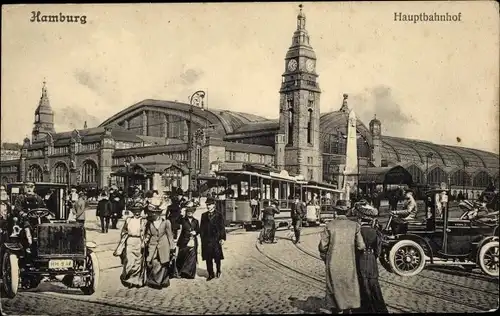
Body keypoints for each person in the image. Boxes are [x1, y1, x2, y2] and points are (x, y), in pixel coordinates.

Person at [318, 204, 366, 314]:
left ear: (336, 212)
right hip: (349, 261)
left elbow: (322, 246)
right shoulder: (355, 225)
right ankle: (347, 309)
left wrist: (324, 254)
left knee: (334, 284)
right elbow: (361, 246)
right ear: (347, 212)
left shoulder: (329, 225)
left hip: (333, 262)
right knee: (348, 284)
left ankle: (335, 308)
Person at [354, 204, 388, 314]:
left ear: (361, 218)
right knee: (374, 284)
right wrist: (373, 256)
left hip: (360, 259)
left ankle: (364, 309)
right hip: (372, 259)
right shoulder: (375, 233)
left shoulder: (358, 232)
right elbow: (378, 250)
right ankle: (379, 308)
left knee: (362, 284)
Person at [113, 199, 147, 288]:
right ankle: (128, 278)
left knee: (138, 262)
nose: (137, 213)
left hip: (139, 241)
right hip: (130, 241)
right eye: (135, 211)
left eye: (139, 211)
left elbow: (146, 233)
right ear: (133, 212)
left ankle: (136, 281)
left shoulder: (144, 221)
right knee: (129, 261)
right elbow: (124, 231)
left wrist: (144, 241)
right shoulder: (128, 220)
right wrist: (122, 242)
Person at [143, 197, 176, 289]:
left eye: (156, 212)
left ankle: (160, 282)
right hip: (153, 245)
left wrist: (172, 246)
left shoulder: (166, 222)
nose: (154, 214)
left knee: (163, 263)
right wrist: (146, 239)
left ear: (159, 213)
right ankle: (154, 280)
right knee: (153, 261)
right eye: (153, 212)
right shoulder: (150, 223)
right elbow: (149, 233)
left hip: (164, 244)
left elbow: (170, 235)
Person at [13, 182, 46, 252]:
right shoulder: (20, 197)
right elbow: (17, 208)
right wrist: (22, 213)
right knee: (27, 225)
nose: (29, 188)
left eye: (31, 186)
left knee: (46, 225)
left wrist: (42, 212)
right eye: (27, 186)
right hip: (25, 219)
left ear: (34, 188)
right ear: (24, 187)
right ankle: (29, 244)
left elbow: (43, 208)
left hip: (37, 219)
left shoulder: (38, 198)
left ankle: (45, 245)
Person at [200, 197, 226, 281]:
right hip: (207, 240)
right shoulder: (203, 216)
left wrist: (222, 238)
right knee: (208, 257)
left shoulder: (219, 215)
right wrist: (202, 238)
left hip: (216, 239)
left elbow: (222, 227)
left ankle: (218, 270)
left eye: (210, 205)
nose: (208, 206)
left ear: (214, 205)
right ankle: (210, 273)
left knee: (217, 257)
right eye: (207, 205)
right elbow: (202, 228)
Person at [176, 206, 200, 279]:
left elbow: (198, 230)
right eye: (188, 212)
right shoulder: (183, 220)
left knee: (192, 257)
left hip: (193, 240)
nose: (190, 213)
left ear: (193, 213)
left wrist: (195, 232)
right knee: (182, 256)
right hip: (183, 241)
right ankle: (181, 272)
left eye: (191, 212)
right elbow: (176, 223)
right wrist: (182, 214)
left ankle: (190, 273)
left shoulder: (196, 221)